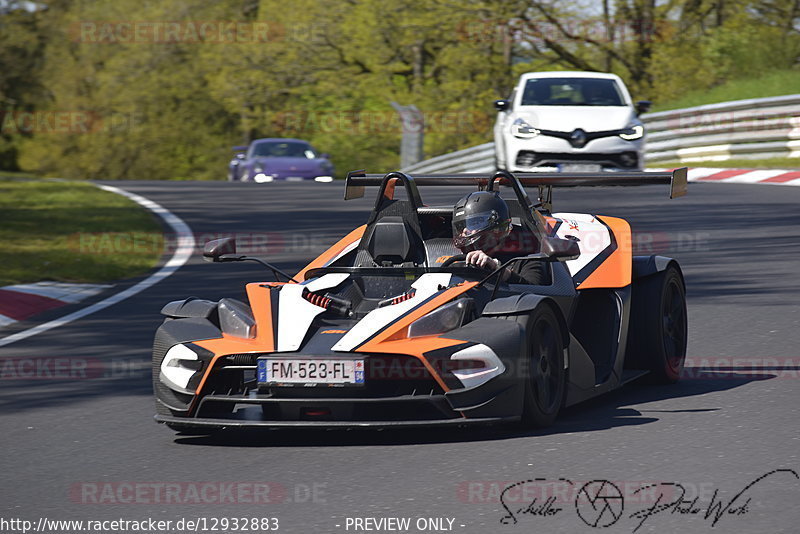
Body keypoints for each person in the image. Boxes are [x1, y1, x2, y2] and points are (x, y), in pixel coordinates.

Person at [451, 191, 544, 285]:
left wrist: (496, 270)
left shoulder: (526, 261)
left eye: (474, 224)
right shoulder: (453, 261)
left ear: (496, 228)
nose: (465, 231)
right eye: (461, 227)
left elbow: (535, 292)